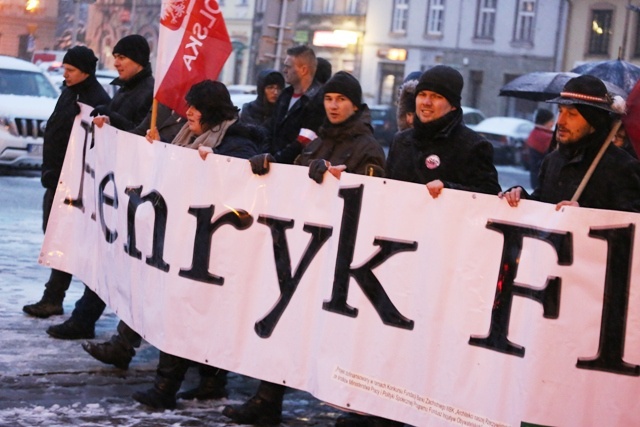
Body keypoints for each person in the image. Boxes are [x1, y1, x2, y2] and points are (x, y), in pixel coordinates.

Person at [222, 72, 389, 427]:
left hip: (340, 259)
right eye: (329, 99)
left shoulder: (366, 146)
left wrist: (340, 179)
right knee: (285, 323)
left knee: (336, 335)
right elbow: (293, 181)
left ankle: (360, 410)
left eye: (341, 100)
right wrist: (269, 167)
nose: (333, 105)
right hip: (303, 251)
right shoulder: (316, 141)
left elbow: (376, 198)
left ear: (355, 106)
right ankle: (267, 398)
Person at [82, 80, 259, 410]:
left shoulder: (236, 141)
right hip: (182, 239)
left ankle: (166, 387)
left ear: (212, 111)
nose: (188, 111)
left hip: (212, 246)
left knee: (181, 311)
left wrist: (219, 163)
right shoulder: (190, 135)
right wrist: (160, 150)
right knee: (182, 310)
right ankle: (208, 381)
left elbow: (243, 185)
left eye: (195, 106)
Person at [46, 34, 155, 340]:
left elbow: (142, 135)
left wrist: (112, 117)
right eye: (115, 56)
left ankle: (92, 322)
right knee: (106, 255)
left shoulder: (149, 92)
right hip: (112, 183)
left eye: (123, 57)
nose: (116, 62)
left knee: (118, 261)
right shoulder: (124, 89)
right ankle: (86, 319)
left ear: (139, 61)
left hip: (131, 188)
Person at [22, 46, 111, 319]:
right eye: (65, 69)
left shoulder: (96, 99)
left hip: (75, 183)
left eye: (71, 70)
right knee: (53, 233)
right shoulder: (70, 91)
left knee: (67, 239)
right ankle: (54, 297)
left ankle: (55, 298)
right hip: (56, 178)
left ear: (85, 71)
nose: (66, 74)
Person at [500, 74, 640, 212]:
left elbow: (630, 227)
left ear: (593, 121)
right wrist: (521, 198)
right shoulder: (552, 161)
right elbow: (542, 209)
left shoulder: (622, 167)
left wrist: (585, 216)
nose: (560, 121)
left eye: (572, 114)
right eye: (560, 111)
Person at [386, 65, 501, 198]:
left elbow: (490, 194)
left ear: (453, 105)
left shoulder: (473, 145)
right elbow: (386, 187)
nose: (426, 102)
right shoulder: (400, 141)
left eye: (436, 96)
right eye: (422, 95)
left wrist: (448, 189)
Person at [254, 45, 326, 167]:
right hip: (272, 166)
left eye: (288, 66)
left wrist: (276, 160)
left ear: (303, 70)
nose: (284, 70)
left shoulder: (318, 100)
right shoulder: (284, 96)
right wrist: (266, 155)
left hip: (296, 171)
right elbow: (270, 130)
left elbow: (304, 141)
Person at [525, 108, 555, 189]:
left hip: (535, 174)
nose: (553, 124)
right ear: (546, 121)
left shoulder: (534, 132)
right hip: (545, 177)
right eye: (551, 121)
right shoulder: (546, 137)